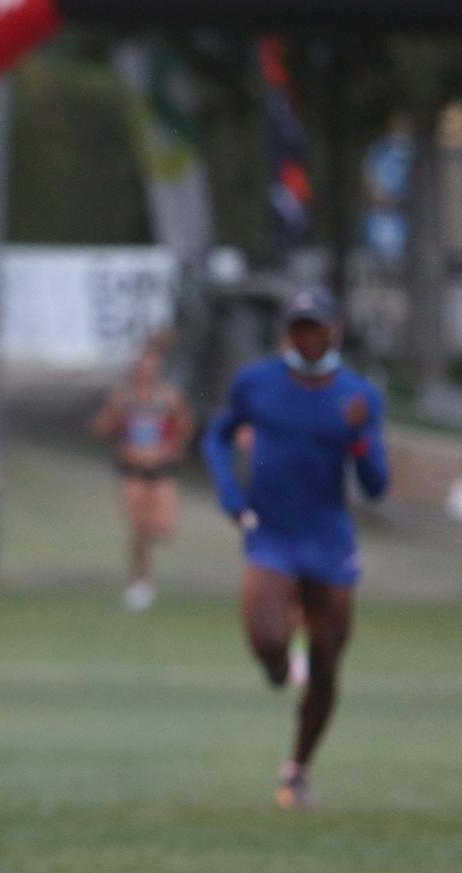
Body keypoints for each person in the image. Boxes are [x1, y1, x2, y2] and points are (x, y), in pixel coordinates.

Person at [202, 288, 388, 810]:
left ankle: (297, 770)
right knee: (265, 638)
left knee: (328, 660)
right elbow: (217, 437)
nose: (308, 337)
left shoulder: (357, 397)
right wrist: (230, 495)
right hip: (272, 533)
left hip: (328, 539)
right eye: (299, 327)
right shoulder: (257, 382)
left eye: (317, 327)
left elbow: (377, 485)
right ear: (287, 332)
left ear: (336, 330)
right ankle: (283, 665)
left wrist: (359, 439)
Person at [91, 342, 192, 610]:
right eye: (142, 366)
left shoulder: (169, 397)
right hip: (132, 471)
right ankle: (141, 582)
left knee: (163, 527)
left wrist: (173, 449)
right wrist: (115, 418)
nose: (146, 371)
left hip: (161, 471)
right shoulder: (123, 398)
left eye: (151, 367)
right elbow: (101, 428)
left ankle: (144, 571)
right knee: (138, 530)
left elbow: (185, 428)